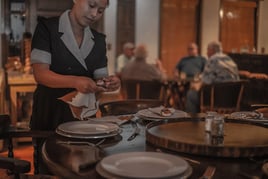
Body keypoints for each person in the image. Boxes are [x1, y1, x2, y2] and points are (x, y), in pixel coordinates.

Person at [30, 0, 120, 173]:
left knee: (83, 169)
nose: (95, 14)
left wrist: (109, 83)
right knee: (50, 168)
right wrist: (76, 81)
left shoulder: (99, 40)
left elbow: (99, 83)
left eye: (100, 10)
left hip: (84, 120)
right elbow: (40, 74)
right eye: (91, 5)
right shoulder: (47, 29)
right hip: (51, 113)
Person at [185, 41, 240, 113]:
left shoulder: (213, 59)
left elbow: (206, 80)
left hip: (216, 99)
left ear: (211, 50)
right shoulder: (230, 60)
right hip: (232, 99)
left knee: (191, 94)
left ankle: (193, 120)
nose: (206, 53)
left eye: (207, 50)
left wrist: (196, 85)